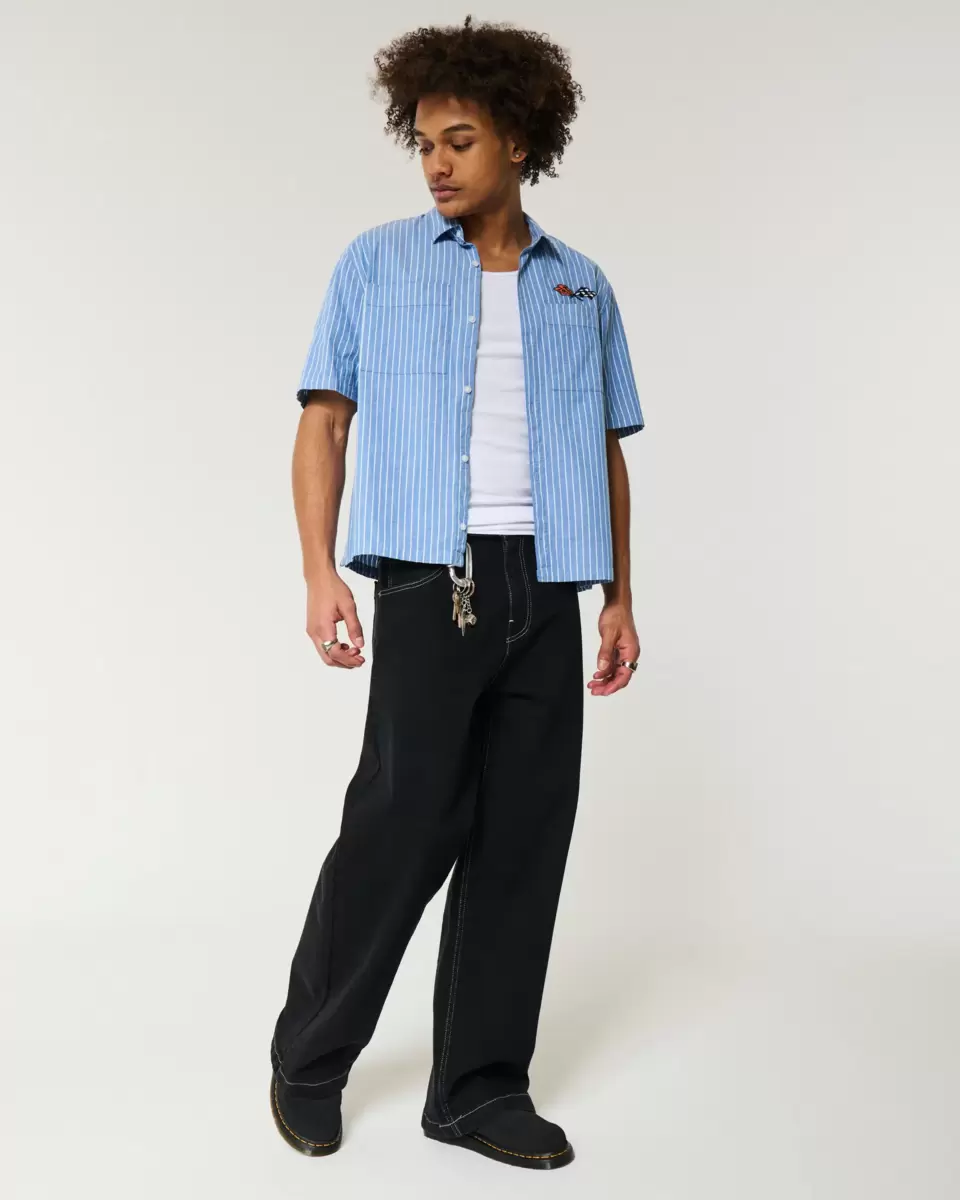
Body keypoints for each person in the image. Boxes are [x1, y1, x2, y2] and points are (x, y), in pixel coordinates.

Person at [269, 15, 644, 1171]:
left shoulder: (580, 286)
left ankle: (478, 1091)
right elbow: (324, 423)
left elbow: (607, 448)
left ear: (519, 140)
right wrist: (319, 571)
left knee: (525, 838)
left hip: (548, 586)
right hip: (432, 581)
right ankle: (309, 1060)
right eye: (424, 142)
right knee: (400, 826)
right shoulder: (376, 264)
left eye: (460, 140)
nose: (435, 163)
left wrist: (620, 596)